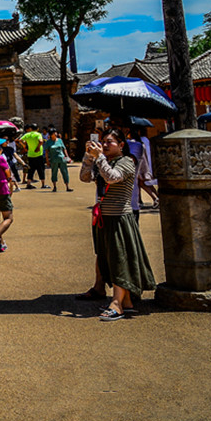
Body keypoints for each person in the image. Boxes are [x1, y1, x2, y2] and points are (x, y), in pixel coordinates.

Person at [80, 128, 157, 321]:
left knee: (119, 259)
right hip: (104, 216)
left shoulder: (127, 162)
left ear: (121, 145)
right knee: (107, 257)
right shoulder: (104, 160)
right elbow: (85, 177)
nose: (105, 145)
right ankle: (126, 301)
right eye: (103, 141)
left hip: (120, 217)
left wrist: (99, 158)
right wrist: (88, 157)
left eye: (110, 142)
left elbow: (112, 177)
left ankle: (117, 304)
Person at [47, 127, 73, 192]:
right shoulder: (48, 142)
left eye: (55, 132)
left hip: (62, 159)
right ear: (51, 135)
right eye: (53, 133)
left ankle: (67, 186)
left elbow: (64, 149)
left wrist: (67, 157)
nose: (55, 134)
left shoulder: (60, 140)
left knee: (65, 172)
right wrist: (47, 161)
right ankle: (54, 186)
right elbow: (47, 152)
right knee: (54, 173)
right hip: (53, 160)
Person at [21, 123, 46, 188]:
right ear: (37, 129)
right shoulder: (38, 134)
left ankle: (28, 184)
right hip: (38, 155)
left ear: (31, 128)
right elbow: (41, 141)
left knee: (31, 170)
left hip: (30, 155)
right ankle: (43, 184)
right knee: (40, 169)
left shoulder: (27, 135)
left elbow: (20, 140)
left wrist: (24, 146)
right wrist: (38, 148)